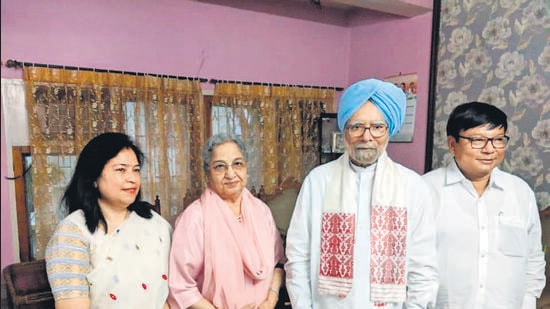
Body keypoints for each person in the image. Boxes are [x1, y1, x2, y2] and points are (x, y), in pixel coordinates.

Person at [285, 78, 438, 308]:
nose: (367, 137)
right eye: (356, 126)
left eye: (377, 127)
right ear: (344, 130)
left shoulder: (412, 187)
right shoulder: (318, 181)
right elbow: (297, 258)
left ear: (389, 131)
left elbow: (423, 267)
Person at [422, 102, 546, 308]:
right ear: (452, 144)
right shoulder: (425, 190)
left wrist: (528, 302)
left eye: (498, 140)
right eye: (478, 140)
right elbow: (412, 262)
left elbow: (533, 258)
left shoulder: (520, 192)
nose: (490, 149)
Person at [45, 132, 173, 309]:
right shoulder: (72, 232)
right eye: (121, 169)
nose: (132, 178)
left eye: (136, 170)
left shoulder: (155, 223)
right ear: (94, 178)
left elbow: (172, 293)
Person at [167, 133, 286, 309]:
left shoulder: (261, 211)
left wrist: (271, 301)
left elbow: (279, 264)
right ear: (208, 174)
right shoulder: (194, 219)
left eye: (237, 164)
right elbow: (181, 287)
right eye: (220, 167)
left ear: (246, 169)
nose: (230, 174)